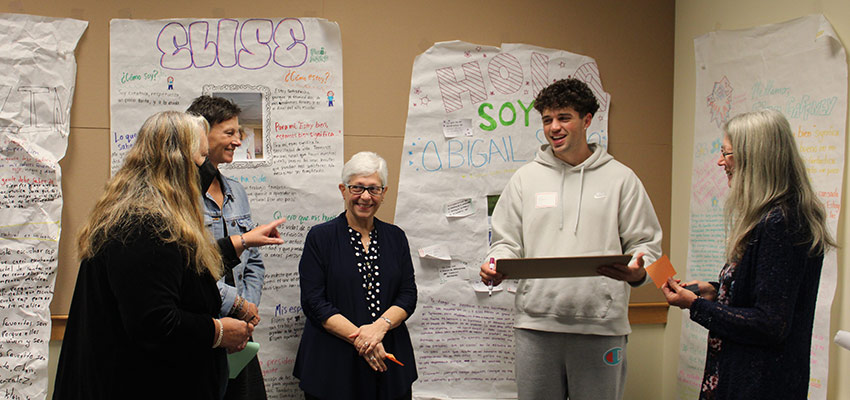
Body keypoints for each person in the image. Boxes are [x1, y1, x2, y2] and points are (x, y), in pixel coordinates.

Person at [479, 78, 663, 399]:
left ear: (587, 120)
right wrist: (495, 263)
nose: (554, 127)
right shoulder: (525, 179)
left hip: (601, 327)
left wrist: (639, 272)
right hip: (536, 327)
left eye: (564, 118)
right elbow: (505, 242)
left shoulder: (622, 179)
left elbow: (650, 249)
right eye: (547, 120)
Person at [53, 111, 253, 399]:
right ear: (178, 165)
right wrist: (218, 331)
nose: (207, 169)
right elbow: (154, 321)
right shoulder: (144, 224)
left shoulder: (144, 215)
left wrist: (239, 243)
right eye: (201, 159)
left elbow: (178, 271)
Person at [662, 109, 835, 399]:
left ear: (755, 159)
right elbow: (765, 296)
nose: (721, 162)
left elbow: (769, 323)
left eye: (727, 154)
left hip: (762, 385)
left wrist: (696, 306)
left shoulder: (783, 223)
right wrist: (715, 292)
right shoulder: (771, 216)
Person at [294, 151, 418, 400]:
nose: (365, 197)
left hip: (389, 363)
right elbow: (314, 302)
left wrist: (378, 329)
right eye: (357, 188)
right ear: (343, 190)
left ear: (384, 193)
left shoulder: (396, 237)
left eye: (373, 189)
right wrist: (364, 339)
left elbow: (408, 295)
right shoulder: (320, 237)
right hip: (332, 367)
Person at [187, 95, 269, 399]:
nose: (238, 141)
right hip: (205, 329)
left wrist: (247, 311)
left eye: (240, 133)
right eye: (229, 132)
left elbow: (253, 261)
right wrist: (236, 306)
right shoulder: (182, 195)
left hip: (240, 331)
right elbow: (192, 269)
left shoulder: (236, 191)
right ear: (201, 135)